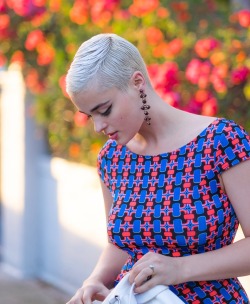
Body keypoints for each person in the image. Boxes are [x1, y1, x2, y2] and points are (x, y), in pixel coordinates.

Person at [65, 33, 250, 304]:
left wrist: (179, 268)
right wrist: (94, 280)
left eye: (104, 110)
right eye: (89, 115)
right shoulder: (112, 158)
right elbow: (120, 244)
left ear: (137, 82)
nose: (98, 127)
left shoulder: (221, 141)